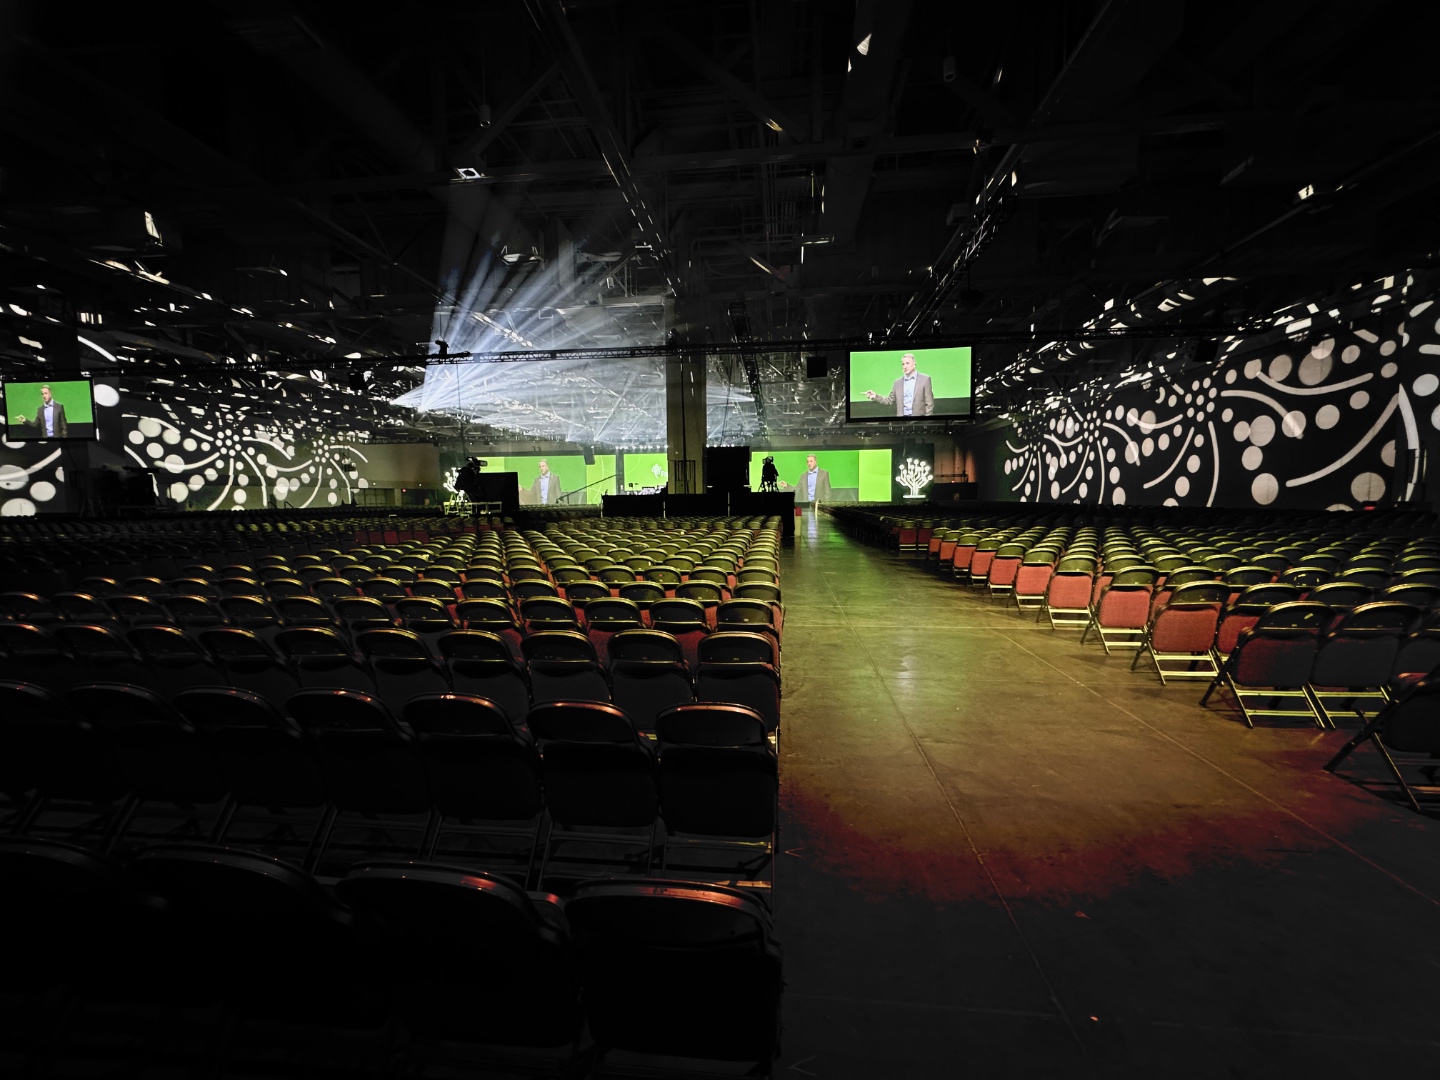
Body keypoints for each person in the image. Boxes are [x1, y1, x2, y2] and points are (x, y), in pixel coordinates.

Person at [864, 352, 934, 417]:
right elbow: (889, 401)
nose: (905, 366)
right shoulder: (897, 383)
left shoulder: (925, 379)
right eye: (903, 364)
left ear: (914, 364)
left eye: (907, 363)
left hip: (919, 422)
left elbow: (929, 404)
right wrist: (875, 396)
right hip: (902, 421)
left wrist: (926, 421)